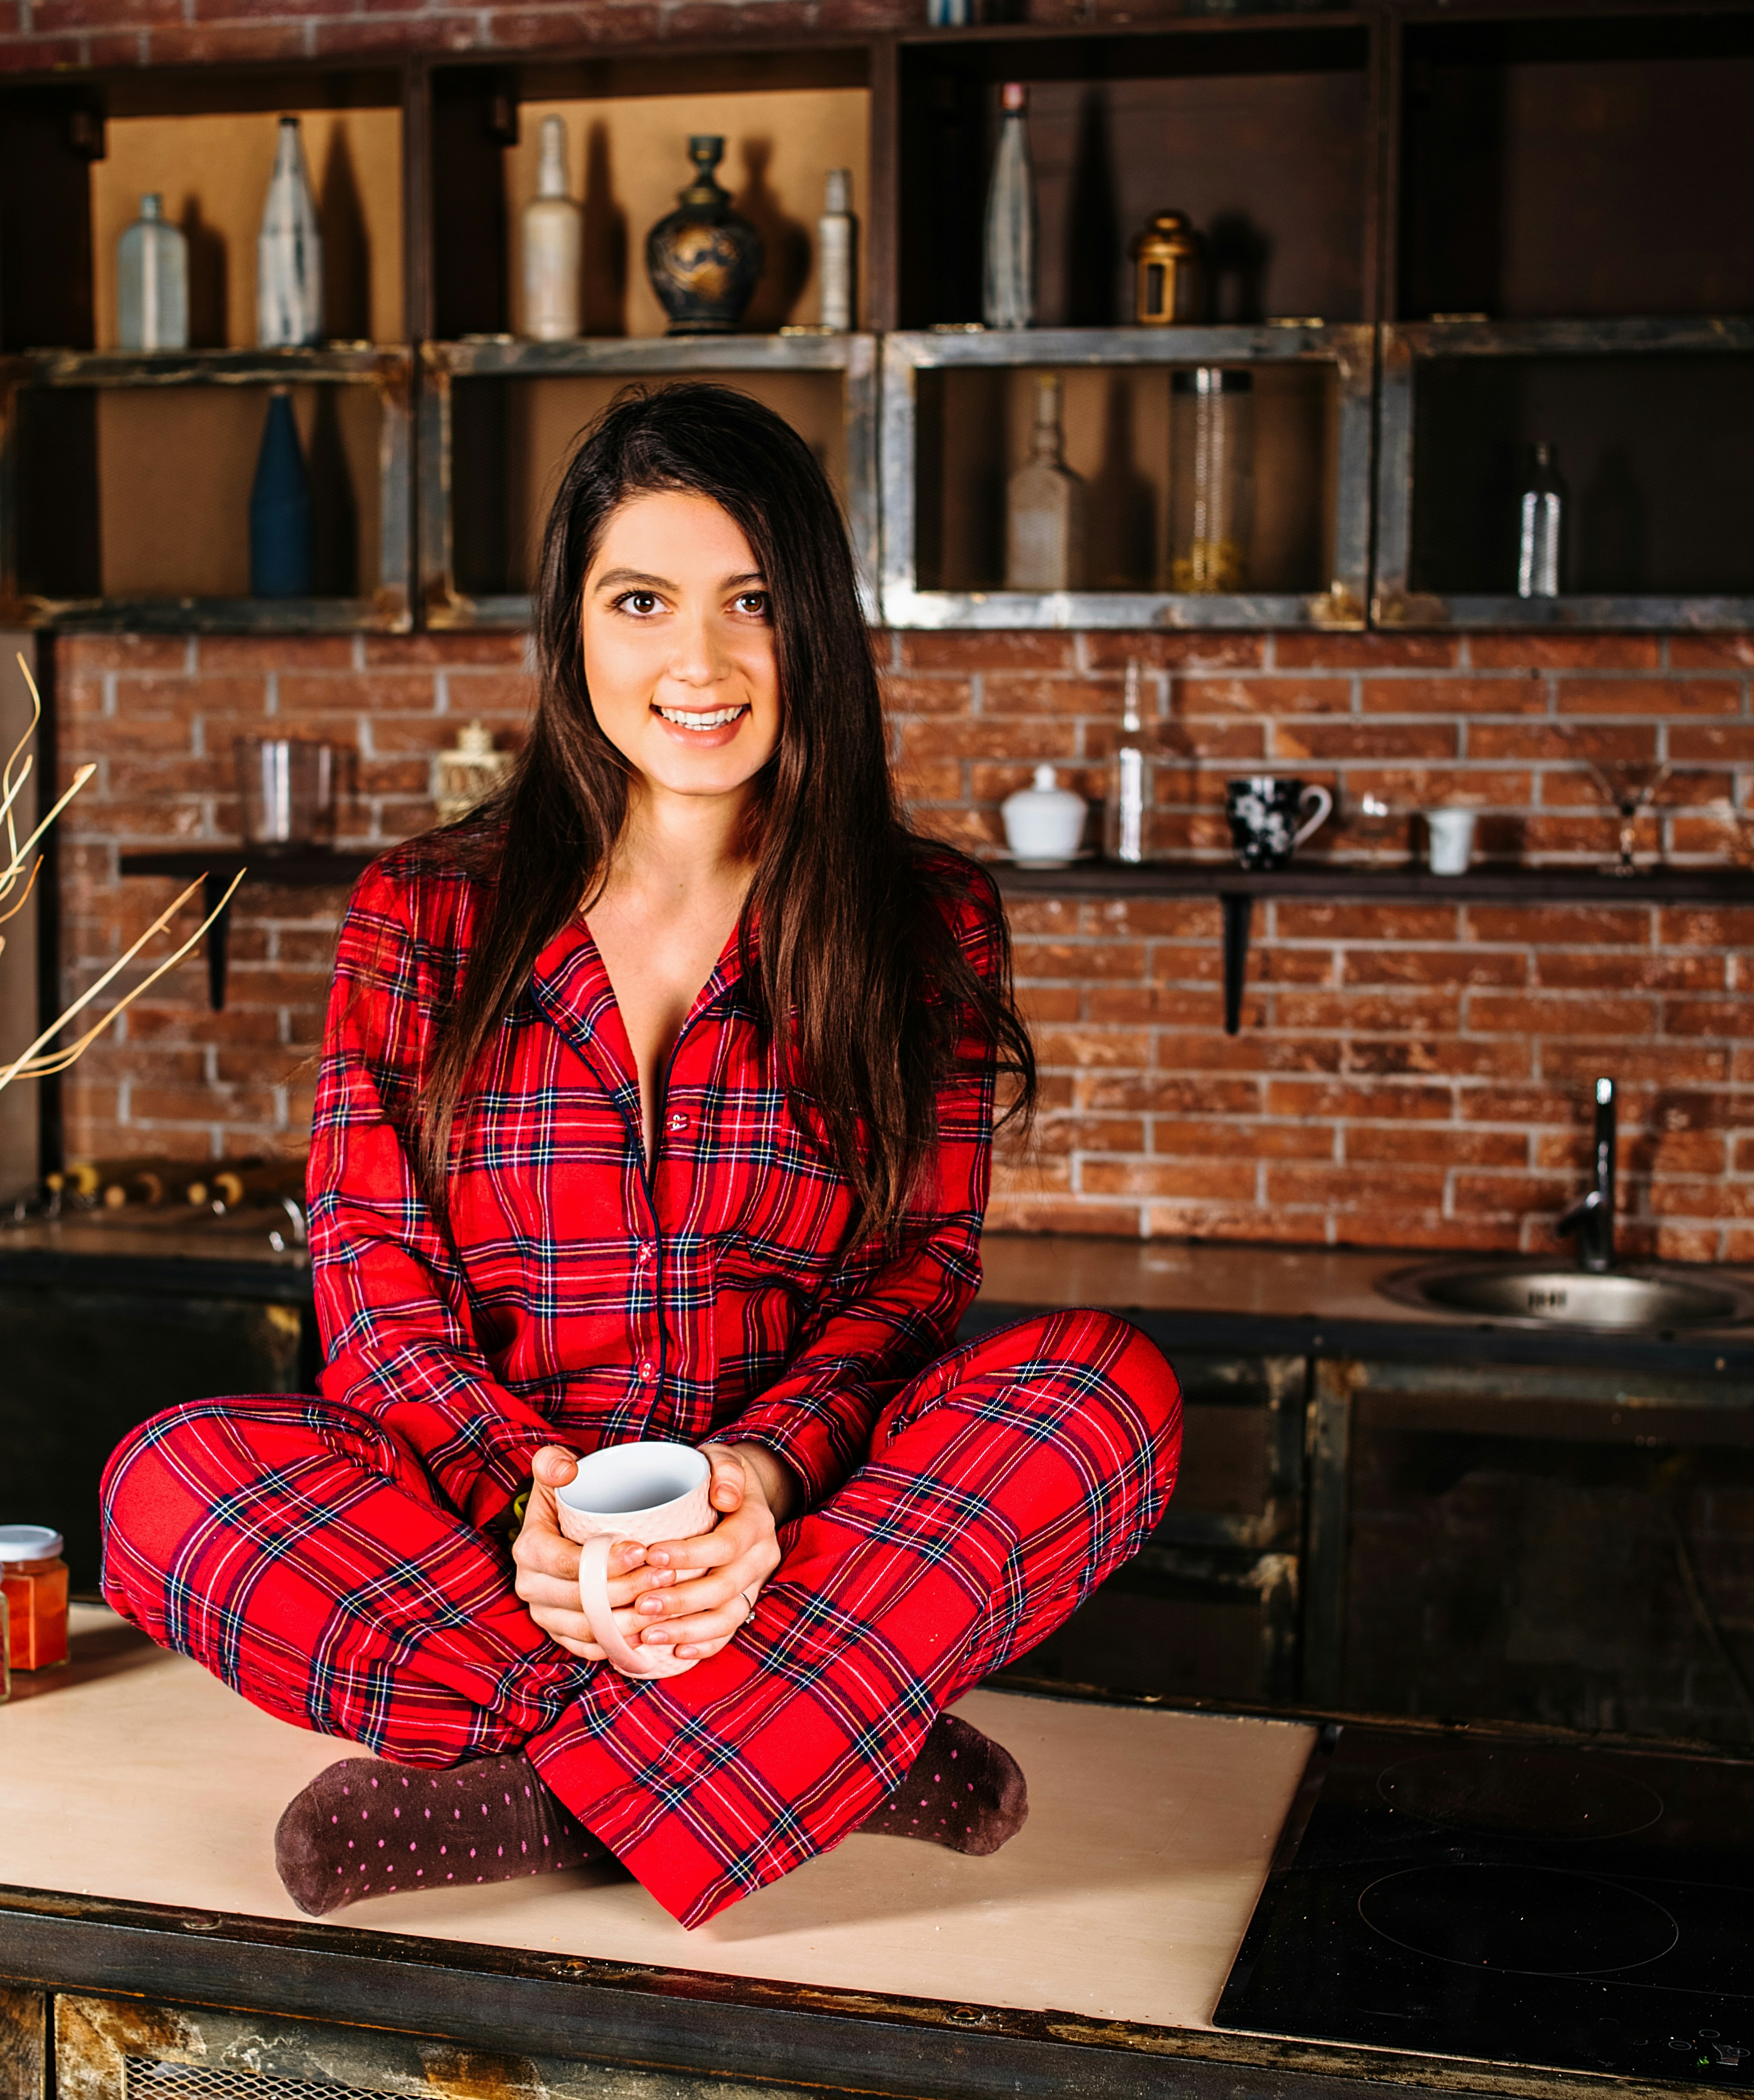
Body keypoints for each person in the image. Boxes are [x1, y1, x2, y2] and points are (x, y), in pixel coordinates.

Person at [101, 382, 1180, 1931]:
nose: (702, 662)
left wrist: (762, 1483)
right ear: (574, 628)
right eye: (643, 601)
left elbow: (913, 1279)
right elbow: (372, 1283)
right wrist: (525, 1515)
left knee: (1105, 1396)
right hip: (496, 1556)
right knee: (167, 1489)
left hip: (790, 1548)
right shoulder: (424, 912)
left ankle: (557, 1792)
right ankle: (826, 1749)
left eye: (754, 602)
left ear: (815, 625)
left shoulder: (927, 921)